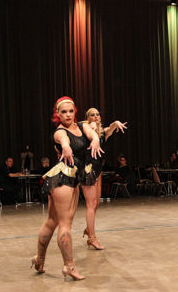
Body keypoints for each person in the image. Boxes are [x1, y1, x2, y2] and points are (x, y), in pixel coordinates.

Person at [31, 97, 102, 281]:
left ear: (75, 111)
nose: (68, 115)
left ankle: (39, 259)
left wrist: (95, 140)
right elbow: (62, 140)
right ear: (57, 114)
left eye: (71, 111)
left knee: (52, 221)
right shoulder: (60, 132)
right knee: (64, 224)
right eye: (63, 112)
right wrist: (65, 147)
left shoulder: (82, 125)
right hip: (63, 178)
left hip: (73, 178)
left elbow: (92, 133)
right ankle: (69, 266)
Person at [80, 107, 127, 250]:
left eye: (97, 114)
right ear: (88, 118)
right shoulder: (85, 131)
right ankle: (92, 238)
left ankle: (89, 229)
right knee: (90, 204)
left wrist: (116, 123)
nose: (95, 116)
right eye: (92, 115)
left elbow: (110, 128)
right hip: (87, 169)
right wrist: (90, 127)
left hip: (98, 169)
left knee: (96, 203)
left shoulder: (102, 133)